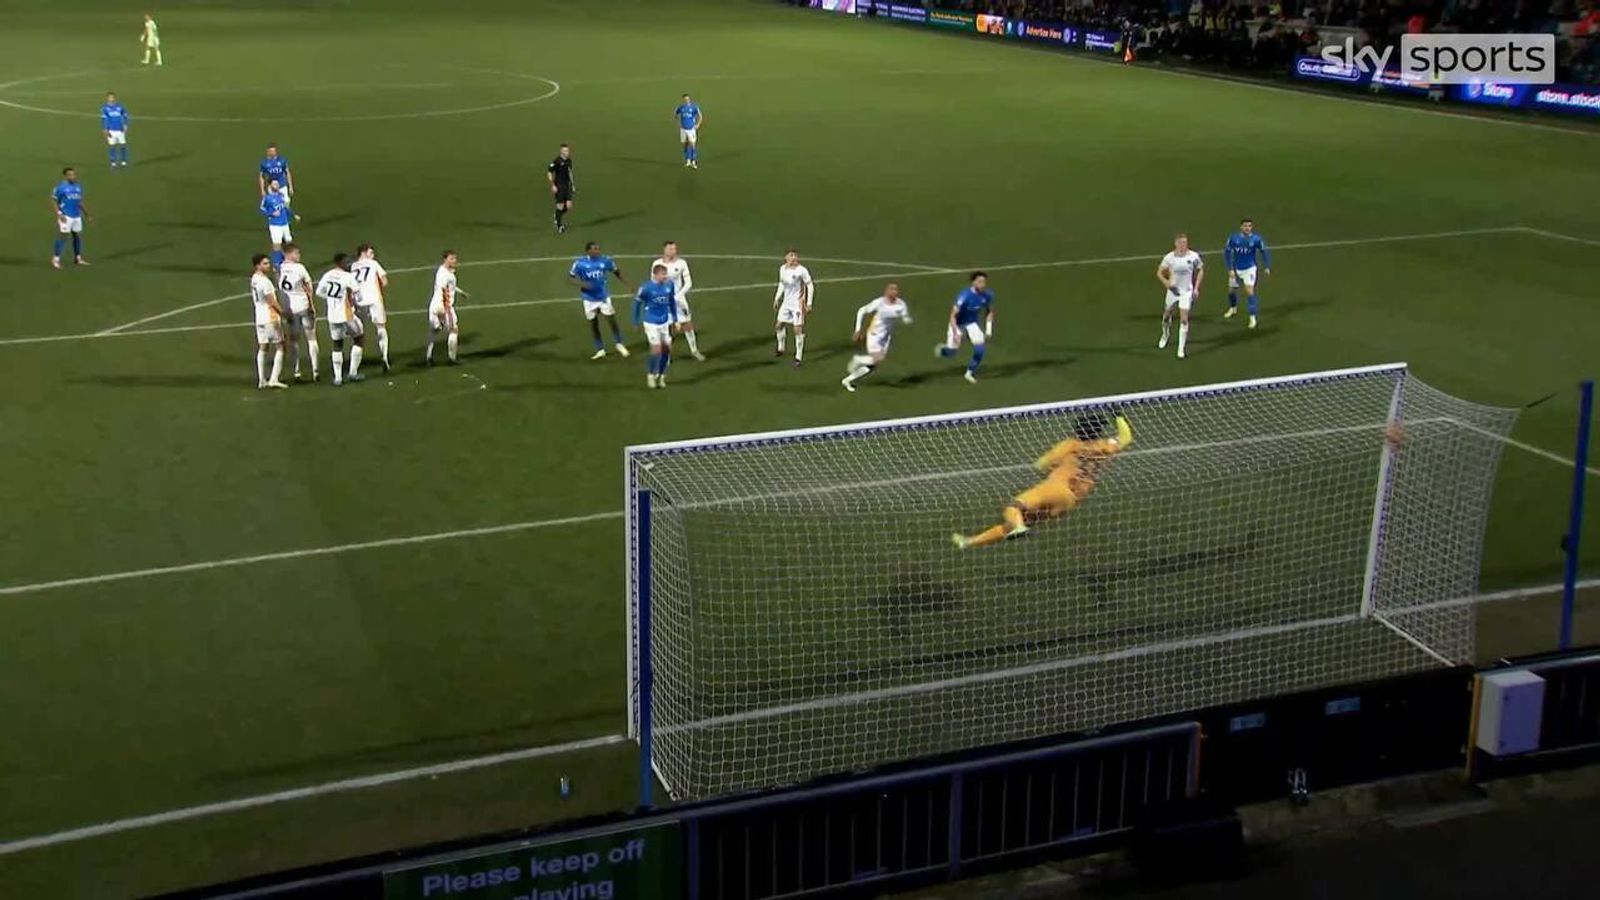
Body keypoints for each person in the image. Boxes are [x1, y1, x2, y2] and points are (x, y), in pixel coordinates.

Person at [953, 414, 1134, 549]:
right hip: (1069, 503)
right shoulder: (1107, 447)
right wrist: (1118, 415)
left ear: (1078, 430)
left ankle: (1019, 528)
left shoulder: (1071, 444)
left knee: (1013, 508)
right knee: (1019, 521)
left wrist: (1052, 466)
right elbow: (1126, 437)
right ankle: (969, 542)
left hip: (1055, 488)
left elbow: (1041, 464)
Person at [843, 282, 912, 392]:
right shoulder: (879, 303)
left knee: (873, 365)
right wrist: (858, 329)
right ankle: (858, 359)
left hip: (886, 337)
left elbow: (904, 315)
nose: (894, 291)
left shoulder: (901, 304)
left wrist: (906, 319)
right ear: (886, 291)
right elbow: (861, 311)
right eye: (891, 289)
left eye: (895, 289)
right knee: (879, 358)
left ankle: (847, 380)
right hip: (874, 335)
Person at [569, 242, 630, 359]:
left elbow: (616, 272)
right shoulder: (579, 263)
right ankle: (600, 349)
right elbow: (570, 278)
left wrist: (627, 284)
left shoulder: (606, 261)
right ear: (588, 251)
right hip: (588, 299)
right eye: (595, 249)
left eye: (598, 249)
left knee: (611, 321)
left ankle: (619, 344)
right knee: (593, 324)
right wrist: (582, 284)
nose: (598, 251)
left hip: (603, 296)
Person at [316, 253, 365, 385]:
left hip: (332, 315)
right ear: (341, 263)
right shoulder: (348, 277)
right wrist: (354, 302)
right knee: (359, 338)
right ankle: (353, 373)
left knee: (337, 344)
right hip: (346, 314)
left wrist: (332, 299)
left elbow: (319, 292)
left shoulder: (328, 275)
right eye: (347, 262)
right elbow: (358, 294)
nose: (349, 264)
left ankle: (338, 378)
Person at [936, 272, 993, 384]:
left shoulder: (987, 295)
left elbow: (989, 311)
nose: (983, 284)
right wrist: (956, 332)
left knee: (980, 350)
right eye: (980, 281)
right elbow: (952, 316)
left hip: (971, 323)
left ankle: (969, 373)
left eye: (984, 282)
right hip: (957, 324)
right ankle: (942, 350)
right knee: (952, 353)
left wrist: (989, 329)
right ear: (974, 282)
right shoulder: (964, 296)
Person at [653, 240, 702, 360]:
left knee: (687, 324)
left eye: (674, 249)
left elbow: (688, 282)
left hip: (679, 300)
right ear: (664, 250)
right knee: (666, 328)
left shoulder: (681, 263)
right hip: (663, 300)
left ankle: (694, 350)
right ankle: (666, 356)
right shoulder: (657, 264)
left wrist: (679, 295)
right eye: (670, 249)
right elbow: (653, 282)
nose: (673, 251)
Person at [277, 243, 319, 381]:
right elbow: (309, 287)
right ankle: (315, 370)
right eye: (296, 253)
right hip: (303, 307)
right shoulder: (300, 268)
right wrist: (312, 305)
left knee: (294, 341)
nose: (299, 255)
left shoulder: (280, 268)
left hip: (290, 309)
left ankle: (296, 371)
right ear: (289, 254)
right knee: (311, 338)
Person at [634, 264, 681, 389]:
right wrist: (635, 321)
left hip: (664, 322)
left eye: (666, 274)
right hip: (651, 322)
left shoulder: (669, 285)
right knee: (656, 350)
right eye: (663, 274)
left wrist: (675, 319)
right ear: (655, 275)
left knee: (667, 350)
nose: (665, 276)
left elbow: (671, 302)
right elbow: (637, 303)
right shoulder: (646, 288)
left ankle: (661, 376)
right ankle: (650, 375)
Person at [1157, 233, 1204, 359]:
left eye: (1185, 242)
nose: (1183, 245)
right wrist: (1167, 284)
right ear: (1176, 243)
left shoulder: (1193, 256)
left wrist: (1196, 288)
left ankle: (1181, 348)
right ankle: (1165, 334)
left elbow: (1200, 270)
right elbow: (1159, 272)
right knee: (1167, 315)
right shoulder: (1169, 258)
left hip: (1186, 292)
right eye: (1181, 242)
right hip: (1173, 291)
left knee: (1184, 319)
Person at [1223, 218, 1271, 329]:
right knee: (1231, 291)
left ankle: (1252, 318)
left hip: (1249, 269)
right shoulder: (1234, 238)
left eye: (1249, 226)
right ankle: (1233, 308)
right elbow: (1227, 253)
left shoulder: (1256, 239)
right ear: (1241, 227)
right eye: (1245, 226)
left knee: (1249, 292)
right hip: (1236, 269)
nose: (1247, 228)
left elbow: (1264, 252)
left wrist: (1267, 266)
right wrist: (1230, 269)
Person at [351, 244, 391, 372]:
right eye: (371, 252)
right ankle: (384, 357)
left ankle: (356, 363)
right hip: (374, 298)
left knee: (359, 332)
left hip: (359, 301)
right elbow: (384, 281)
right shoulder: (373, 263)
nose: (373, 255)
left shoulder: (353, 266)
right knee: (380, 327)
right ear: (363, 253)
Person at [250, 254, 287, 389]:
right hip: (270, 318)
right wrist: (284, 313)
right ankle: (274, 379)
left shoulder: (254, 279)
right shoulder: (266, 282)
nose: (268, 266)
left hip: (259, 318)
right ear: (257, 266)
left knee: (263, 347)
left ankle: (261, 379)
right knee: (281, 346)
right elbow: (272, 301)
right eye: (265, 263)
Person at [773, 249, 814, 366]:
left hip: (798, 304)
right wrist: (777, 298)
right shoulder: (782, 269)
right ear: (786, 257)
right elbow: (781, 284)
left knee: (797, 329)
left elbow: (810, 285)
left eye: (795, 256)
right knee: (779, 325)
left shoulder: (802, 270)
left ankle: (798, 357)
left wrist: (809, 303)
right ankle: (781, 348)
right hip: (786, 303)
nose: (793, 258)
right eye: (791, 256)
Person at [50, 167, 91, 269]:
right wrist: (59, 213)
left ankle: (78, 258)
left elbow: (79, 202)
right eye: (70, 175)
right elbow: (54, 201)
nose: (72, 176)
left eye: (74, 174)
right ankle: (56, 259)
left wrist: (87, 214)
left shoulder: (78, 187)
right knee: (63, 236)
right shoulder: (60, 188)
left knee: (76, 236)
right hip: (65, 215)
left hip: (76, 215)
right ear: (65, 176)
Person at [426, 250, 461, 366]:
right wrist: (445, 309)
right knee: (453, 330)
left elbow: (450, 287)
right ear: (445, 259)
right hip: (443, 306)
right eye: (451, 259)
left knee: (434, 330)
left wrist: (461, 292)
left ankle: (429, 356)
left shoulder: (442, 270)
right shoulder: (446, 274)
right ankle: (452, 358)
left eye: (455, 258)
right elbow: (443, 289)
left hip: (433, 305)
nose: (454, 261)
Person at [259, 180, 299, 268]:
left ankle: (290, 261)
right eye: (275, 184)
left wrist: (293, 215)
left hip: (285, 223)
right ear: (270, 185)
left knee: (289, 243)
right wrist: (271, 213)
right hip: (275, 225)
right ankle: (277, 265)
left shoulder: (281, 195)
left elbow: (285, 208)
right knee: (277, 245)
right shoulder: (267, 198)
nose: (277, 185)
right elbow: (261, 210)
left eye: (277, 184)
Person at [547, 143, 575, 233]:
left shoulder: (569, 161)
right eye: (566, 151)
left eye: (568, 150)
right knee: (560, 205)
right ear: (561, 152)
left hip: (567, 185)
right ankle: (559, 226)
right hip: (559, 185)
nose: (567, 152)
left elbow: (570, 172)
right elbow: (549, 172)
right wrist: (552, 185)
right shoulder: (557, 161)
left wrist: (573, 184)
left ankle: (557, 215)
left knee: (568, 206)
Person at [101, 92, 130, 168]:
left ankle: (123, 161)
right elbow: (104, 119)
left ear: (115, 98)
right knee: (112, 146)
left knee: (123, 145)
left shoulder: (120, 107)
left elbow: (125, 115)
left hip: (120, 130)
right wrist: (104, 129)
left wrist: (125, 125)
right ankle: (113, 162)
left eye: (112, 97)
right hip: (111, 130)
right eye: (110, 97)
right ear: (107, 98)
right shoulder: (105, 108)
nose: (111, 99)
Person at [674, 93, 703, 168]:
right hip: (683, 129)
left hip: (691, 129)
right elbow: (675, 115)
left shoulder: (694, 107)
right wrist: (678, 123)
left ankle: (693, 161)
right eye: (685, 99)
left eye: (687, 99)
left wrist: (698, 125)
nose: (686, 100)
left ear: (689, 99)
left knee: (692, 144)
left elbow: (700, 116)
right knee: (685, 145)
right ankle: (688, 160)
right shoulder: (681, 107)